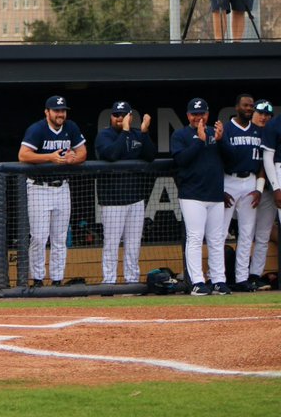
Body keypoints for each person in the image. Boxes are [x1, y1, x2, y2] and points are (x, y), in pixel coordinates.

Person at [17, 95, 87, 286]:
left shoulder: (71, 127)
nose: (60, 114)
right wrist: (50, 157)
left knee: (59, 238)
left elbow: (82, 152)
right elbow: (23, 155)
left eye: (63, 110)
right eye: (56, 111)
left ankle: (57, 280)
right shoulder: (38, 129)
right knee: (39, 238)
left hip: (62, 187)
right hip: (39, 187)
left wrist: (75, 159)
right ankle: (38, 280)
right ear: (47, 112)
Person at [94, 100, 156, 285]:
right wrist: (126, 132)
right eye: (116, 115)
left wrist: (144, 133)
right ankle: (109, 281)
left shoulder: (138, 134)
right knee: (112, 244)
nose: (119, 118)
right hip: (112, 201)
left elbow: (150, 155)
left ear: (130, 116)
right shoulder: (104, 135)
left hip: (135, 199)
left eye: (123, 115)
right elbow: (112, 154)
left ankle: (132, 280)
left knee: (133, 244)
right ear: (112, 117)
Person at [170, 97, 228, 295]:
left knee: (216, 239)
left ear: (207, 114)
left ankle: (219, 280)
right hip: (192, 195)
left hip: (215, 194)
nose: (198, 117)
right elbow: (181, 160)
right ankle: (197, 281)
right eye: (194, 114)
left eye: (202, 113)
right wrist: (199, 142)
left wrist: (221, 141)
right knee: (195, 238)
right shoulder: (181, 135)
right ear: (188, 115)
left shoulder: (215, 133)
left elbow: (231, 159)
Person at [219, 93, 264, 292]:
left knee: (247, 233)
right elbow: (216, 160)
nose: (249, 108)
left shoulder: (258, 131)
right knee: (219, 233)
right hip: (229, 180)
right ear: (236, 107)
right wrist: (220, 188)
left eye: (251, 106)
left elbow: (263, 162)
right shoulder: (226, 129)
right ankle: (217, 277)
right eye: (246, 105)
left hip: (251, 181)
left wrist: (259, 189)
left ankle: (241, 278)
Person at [248, 99, 275, 290]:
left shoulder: (272, 133)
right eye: (260, 113)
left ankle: (255, 275)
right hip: (245, 188)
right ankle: (231, 275)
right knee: (244, 234)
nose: (263, 117)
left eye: (267, 114)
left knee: (263, 235)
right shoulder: (246, 131)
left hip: (267, 191)